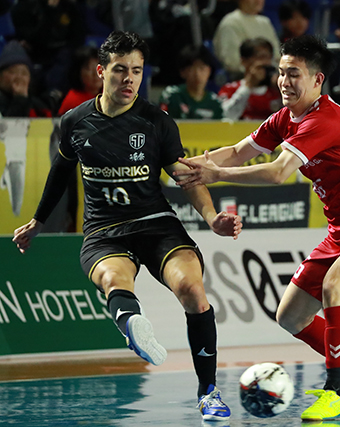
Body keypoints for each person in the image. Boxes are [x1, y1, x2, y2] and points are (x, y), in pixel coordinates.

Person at [12, 31, 241, 422]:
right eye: (120, 70)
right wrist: (37, 221)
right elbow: (60, 173)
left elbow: (186, 178)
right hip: (103, 231)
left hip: (156, 225)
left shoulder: (156, 122)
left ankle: (208, 392)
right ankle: (133, 324)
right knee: (114, 279)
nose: (129, 79)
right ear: (101, 71)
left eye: (136, 71)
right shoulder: (75, 121)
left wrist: (211, 218)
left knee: (193, 290)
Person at [174, 35, 340, 421]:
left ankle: (334, 392)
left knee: (335, 287)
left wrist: (216, 175)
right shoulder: (285, 117)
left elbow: (279, 172)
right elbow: (239, 151)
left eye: (294, 74)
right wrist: (189, 166)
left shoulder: (323, 120)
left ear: (317, 80)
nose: (284, 81)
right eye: (281, 73)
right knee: (291, 317)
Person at [212, 0, 281, 79]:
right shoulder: (230, 23)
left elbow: (277, 55)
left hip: (270, 75)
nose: (258, 1)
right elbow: (232, 62)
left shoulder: (265, 22)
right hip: (242, 78)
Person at [217, 37, 282, 121]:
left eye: (269, 57)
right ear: (244, 61)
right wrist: (247, 86)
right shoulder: (230, 89)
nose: (265, 63)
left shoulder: (277, 90)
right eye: (260, 57)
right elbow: (226, 116)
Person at [158, 44, 225, 120]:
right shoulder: (172, 96)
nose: (197, 74)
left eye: (202, 68)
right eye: (191, 69)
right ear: (182, 72)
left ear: (209, 71)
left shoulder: (215, 103)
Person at [0, 40, 52, 117]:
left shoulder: (39, 107)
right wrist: (20, 98)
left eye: (24, 73)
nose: (19, 77)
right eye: (12, 72)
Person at [58, 46, 103, 115]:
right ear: (78, 72)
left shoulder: (111, 94)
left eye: (99, 67)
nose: (96, 73)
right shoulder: (73, 101)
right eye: (89, 68)